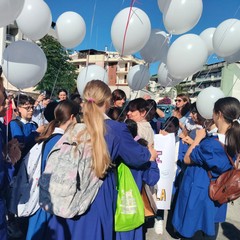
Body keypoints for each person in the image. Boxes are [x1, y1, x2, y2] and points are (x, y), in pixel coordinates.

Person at [42, 80, 157, 240]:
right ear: (108, 101)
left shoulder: (75, 125)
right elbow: (138, 158)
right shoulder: (115, 129)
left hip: (68, 194)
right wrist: (150, 154)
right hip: (97, 194)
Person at [172, 97, 240, 239]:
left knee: (193, 231)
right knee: (209, 231)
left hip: (199, 194)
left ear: (219, 114)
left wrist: (198, 138)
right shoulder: (233, 139)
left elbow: (187, 158)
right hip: (218, 193)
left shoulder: (210, 144)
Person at [26, 100, 80, 240]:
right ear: (73, 117)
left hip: (40, 202)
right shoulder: (63, 142)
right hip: (52, 204)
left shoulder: (47, 138)